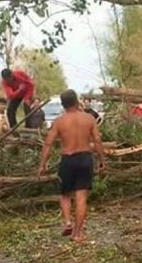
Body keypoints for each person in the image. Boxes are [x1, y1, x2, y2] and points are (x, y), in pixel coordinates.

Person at [37, 90, 106, 242]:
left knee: (65, 194)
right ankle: (78, 233)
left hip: (67, 160)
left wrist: (42, 165)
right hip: (85, 158)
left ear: (63, 104)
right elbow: (97, 140)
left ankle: (68, 222)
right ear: (76, 102)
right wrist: (102, 160)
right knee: (81, 197)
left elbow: (48, 143)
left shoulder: (59, 121)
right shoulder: (88, 119)